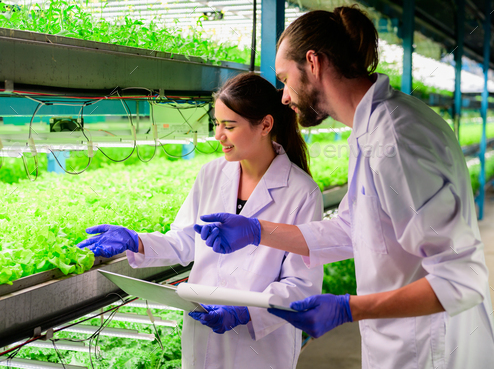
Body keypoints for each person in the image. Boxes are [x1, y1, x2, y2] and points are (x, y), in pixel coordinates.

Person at [194, 6, 494, 369]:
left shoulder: (393, 140)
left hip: (431, 349)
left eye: (287, 79)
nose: (285, 97)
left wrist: (349, 309)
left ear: (314, 63)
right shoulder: (370, 130)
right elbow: (352, 231)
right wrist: (258, 231)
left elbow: (463, 277)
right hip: (400, 343)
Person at [76, 73, 324, 369]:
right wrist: (137, 241)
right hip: (203, 330)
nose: (219, 135)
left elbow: (302, 285)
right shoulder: (212, 174)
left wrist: (246, 311)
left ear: (265, 125)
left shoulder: (301, 193)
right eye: (217, 124)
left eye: (229, 126)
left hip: (261, 346)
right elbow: (186, 239)